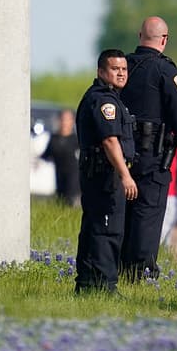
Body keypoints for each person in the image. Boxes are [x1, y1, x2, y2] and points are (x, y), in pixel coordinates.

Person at [120, 16, 177, 281]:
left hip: (120, 153)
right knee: (147, 213)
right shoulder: (166, 70)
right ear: (164, 39)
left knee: (122, 210)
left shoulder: (122, 67)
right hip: (152, 156)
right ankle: (139, 270)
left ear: (140, 36)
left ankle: (117, 267)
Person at [74, 49, 137, 293]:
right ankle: (104, 286)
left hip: (100, 173)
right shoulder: (104, 101)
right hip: (105, 176)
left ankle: (87, 284)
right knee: (107, 230)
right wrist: (125, 175)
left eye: (124, 69)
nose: (121, 73)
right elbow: (110, 141)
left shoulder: (106, 97)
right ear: (101, 71)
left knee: (95, 228)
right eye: (114, 69)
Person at [41, 109, 81, 206]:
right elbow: (46, 156)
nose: (64, 123)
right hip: (59, 177)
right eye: (63, 119)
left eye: (67, 120)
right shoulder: (54, 138)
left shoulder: (76, 140)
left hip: (74, 179)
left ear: (72, 122)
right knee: (61, 202)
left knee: (72, 201)